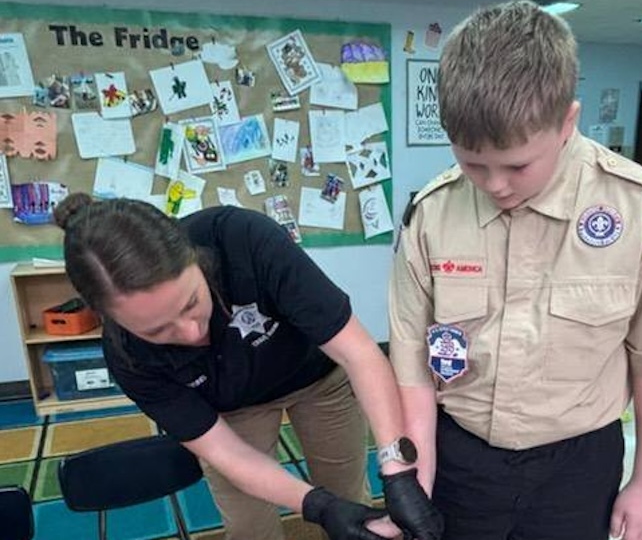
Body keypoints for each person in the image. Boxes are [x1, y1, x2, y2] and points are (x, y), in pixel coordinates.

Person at [388, 0, 642, 540]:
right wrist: (416, 476)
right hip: (461, 458)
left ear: (568, 121)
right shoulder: (430, 213)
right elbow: (411, 362)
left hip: (578, 465)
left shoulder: (637, 206)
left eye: (518, 164)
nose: (495, 185)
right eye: (472, 163)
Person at [54, 194, 442, 540]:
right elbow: (225, 453)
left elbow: (360, 353)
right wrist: (318, 507)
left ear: (196, 258)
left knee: (351, 499)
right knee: (248, 526)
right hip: (230, 408)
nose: (191, 333)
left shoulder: (244, 238)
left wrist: (399, 470)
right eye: (157, 330)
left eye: (191, 303)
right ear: (110, 319)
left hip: (317, 379)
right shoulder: (128, 357)